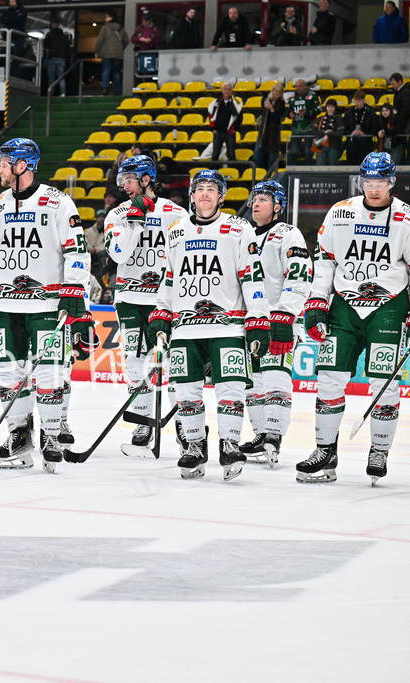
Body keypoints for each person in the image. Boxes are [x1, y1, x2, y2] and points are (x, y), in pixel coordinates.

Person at [0, 138, 91, 471]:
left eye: (5, 163)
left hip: (47, 305)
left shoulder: (58, 203)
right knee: (9, 374)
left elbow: (77, 251)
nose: (0, 169)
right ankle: (18, 436)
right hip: (6, 306)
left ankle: (51, 435)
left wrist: (74, 292)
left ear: (23, 165)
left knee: (49, 374)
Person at [146, 170, 266, 480]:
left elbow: (251, 277)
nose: (205, 194)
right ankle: (195, 445)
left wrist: (258, 317)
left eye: (212, 189)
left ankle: (229, 442)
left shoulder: (239, 229)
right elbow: (168, 277)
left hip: (228, 325)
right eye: (200, 188)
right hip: (186, 327)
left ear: (222, 196)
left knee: (231, 388)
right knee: (187, 390)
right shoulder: (175, 230)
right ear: (192, 195)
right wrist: (161, 310)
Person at [299, 152, 410, 483]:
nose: (373, 188)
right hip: (345, 304)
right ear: (361, 180)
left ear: (392, 181)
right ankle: (324, 450)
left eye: (380, 182)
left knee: (383, 382)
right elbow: (326, 261)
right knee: (330, 378)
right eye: (368, 181)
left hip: (388, 305)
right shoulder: (340, 212)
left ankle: (379, 450)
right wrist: (317, 301)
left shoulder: (406, 217)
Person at [103, 155, 188, 456]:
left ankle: (185, 425)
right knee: (135, 362)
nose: (124, 186)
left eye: (130, 179)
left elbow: (184, 259)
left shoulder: (176, 213)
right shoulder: (118, 214)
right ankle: (143, 421)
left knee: (175, 363)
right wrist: (135, 221)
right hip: (129, 296)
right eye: (122, 180)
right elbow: (119, 255)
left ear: (147, 178)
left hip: (164, 299)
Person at [231, 181, 311, 466]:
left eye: (264, 199)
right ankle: (261, 433)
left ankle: (274, 435)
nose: (256, 203)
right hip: (251, 320)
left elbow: (300, 275)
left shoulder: (288, 234)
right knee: (252, 382)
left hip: (278, 318)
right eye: (254, 199)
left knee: (276, 376)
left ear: (278, 207)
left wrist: (286, 314)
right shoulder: (244, 235)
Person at [251, 82, 286, 170]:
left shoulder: (281, 103)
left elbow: (277, 117)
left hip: (274, 130)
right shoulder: (265, 100)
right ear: (272, 91)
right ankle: (257, 171)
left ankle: (271, 171)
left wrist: (271, 109)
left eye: (279, 92)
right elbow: (262, 110)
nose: (277, 93)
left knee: (273, 152)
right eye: (276, 91)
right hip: (264, 129)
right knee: (258, 150)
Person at [286, 78, 320, 165]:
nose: (297, 88)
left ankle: (308, 170)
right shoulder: (292, 98)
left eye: (300, 86)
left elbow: (319, 109)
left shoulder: (313, 95)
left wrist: (307, 112)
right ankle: (291, 170)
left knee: (308, 151)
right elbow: (287, 111)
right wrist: (290, 114)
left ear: (305, 86)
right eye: (296, 86)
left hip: (309, 127)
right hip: (296, 128)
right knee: (292, 151)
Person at [95, 12, 129, 96]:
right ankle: (117, 91)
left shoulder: (105, 28)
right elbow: (127, 40)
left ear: (111, 18)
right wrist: (121, 48)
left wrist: (96, 51)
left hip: (106, 53)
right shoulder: (121, 28)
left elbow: (100, 40)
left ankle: (105, 87)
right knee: (116, 71)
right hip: (118, 54)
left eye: (106, 17)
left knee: (106, 69)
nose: (105, 19)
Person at [208, 81, 242, 161]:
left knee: (231, 154)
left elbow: (240, 118)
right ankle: (213, 172)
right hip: (218, 132)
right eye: (225, 89)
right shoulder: (216, 103)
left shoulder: (236, 104)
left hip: (230, 132)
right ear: (222, 90)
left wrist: (234, 129)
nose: (227, 91)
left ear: (231, 91)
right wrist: (212, 129)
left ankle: (233, 172)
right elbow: (210, 114)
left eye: (229, 89)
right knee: (215, 154)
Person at [342, 91, 378, 166]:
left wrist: (365, 134)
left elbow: (374, 128)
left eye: (359, 100)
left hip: (366, 145)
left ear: (364, 100)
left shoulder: (371, 112)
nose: (357, 103)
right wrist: (351, 133)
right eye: (355, 100)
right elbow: (344, 129)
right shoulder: (349, 113)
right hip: (352, 145)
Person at [43, 18, 72, 96]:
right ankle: (63, 93)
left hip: (52, 58)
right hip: (62, 59)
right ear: (59, 25)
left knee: (51, 78)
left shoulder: (49, 34)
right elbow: (69, 46)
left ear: (52, 24)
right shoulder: (64, 36)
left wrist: (48, 53)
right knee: (61, 77)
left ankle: (50, 93)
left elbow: (45, 45)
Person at [313, 98, 343, 166]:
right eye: (328, 106)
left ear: (335, 108)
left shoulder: (339, 118)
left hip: (333, 146)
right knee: (320, 168)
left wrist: (329, 134)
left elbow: (340, 132)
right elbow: (313, 132)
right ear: (326, 107)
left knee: (332, 167)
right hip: (320, 146)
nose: (330, 108)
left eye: (332, 106)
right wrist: (324, 133)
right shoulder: (320, 118)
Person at [390, 72, 410, 164]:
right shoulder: (399, 92)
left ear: (399, 82)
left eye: (393, 83)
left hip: (404, 124)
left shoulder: (405, 92)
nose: (392, 86)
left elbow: (405, 111)